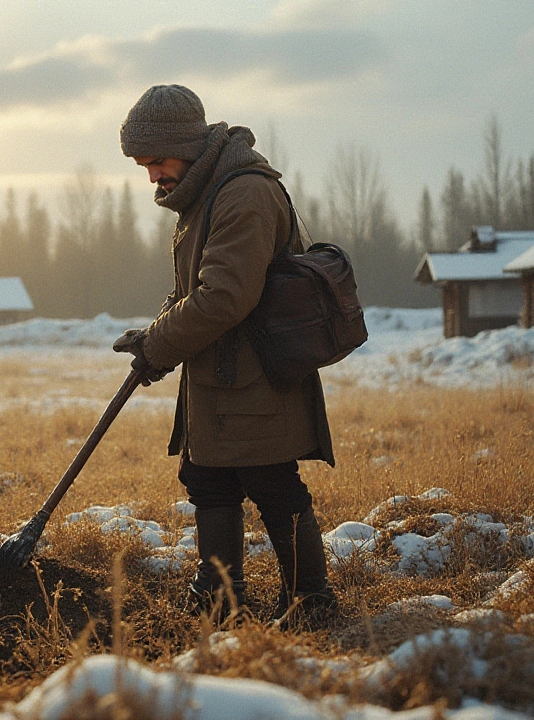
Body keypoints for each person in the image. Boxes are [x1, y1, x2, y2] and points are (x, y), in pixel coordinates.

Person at [112, 84, 337, 627]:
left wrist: (162, 343)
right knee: (208, 479)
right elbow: (196, 288)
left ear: (186, 145)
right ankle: (219, 597)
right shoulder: (204, 192)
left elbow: (225, 297)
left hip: (257, 377)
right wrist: (154, 340)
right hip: (221, 374)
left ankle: (311, 602)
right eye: (144, 166)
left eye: (157, 161)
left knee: (272, 484)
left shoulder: (244, 194)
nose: (152, 177)